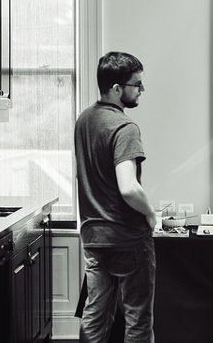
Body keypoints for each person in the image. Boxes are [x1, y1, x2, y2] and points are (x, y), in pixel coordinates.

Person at [75, 51, 157, 343]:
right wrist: (150, 213)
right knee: (137, 317)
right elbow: (128, 187)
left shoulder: (84, 120)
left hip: (94, 237)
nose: (141, 90)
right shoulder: (125, 128)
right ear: (116, 89)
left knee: (95, 313)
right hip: (128, 238)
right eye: (137, 84)